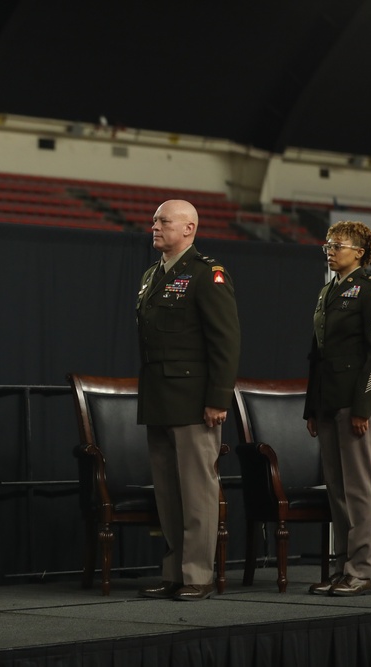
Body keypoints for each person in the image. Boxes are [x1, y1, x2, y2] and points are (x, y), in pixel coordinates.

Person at [135, 199, 241, 601]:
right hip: (160, 398)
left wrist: (218, 398)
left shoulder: (207, 274)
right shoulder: (152, 275)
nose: (154, 226)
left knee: (197, 491)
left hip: (196, 401)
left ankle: (197, 575)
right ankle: (174, 572)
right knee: (168, 493)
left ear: (189, 229)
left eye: (163, 220)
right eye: (154, 219)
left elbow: (225, 342)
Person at [304, 220, 371, 597]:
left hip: (355, 402)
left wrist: (363, 405)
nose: (330, 249)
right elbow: (317, 356)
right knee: (337, 489)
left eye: (338, 244)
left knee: (357, 489)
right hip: (327, 401)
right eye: (328, 243)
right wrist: (311, 407)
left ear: (359, 252)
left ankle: (360, 571)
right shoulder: (328, 291)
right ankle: (341, 569)